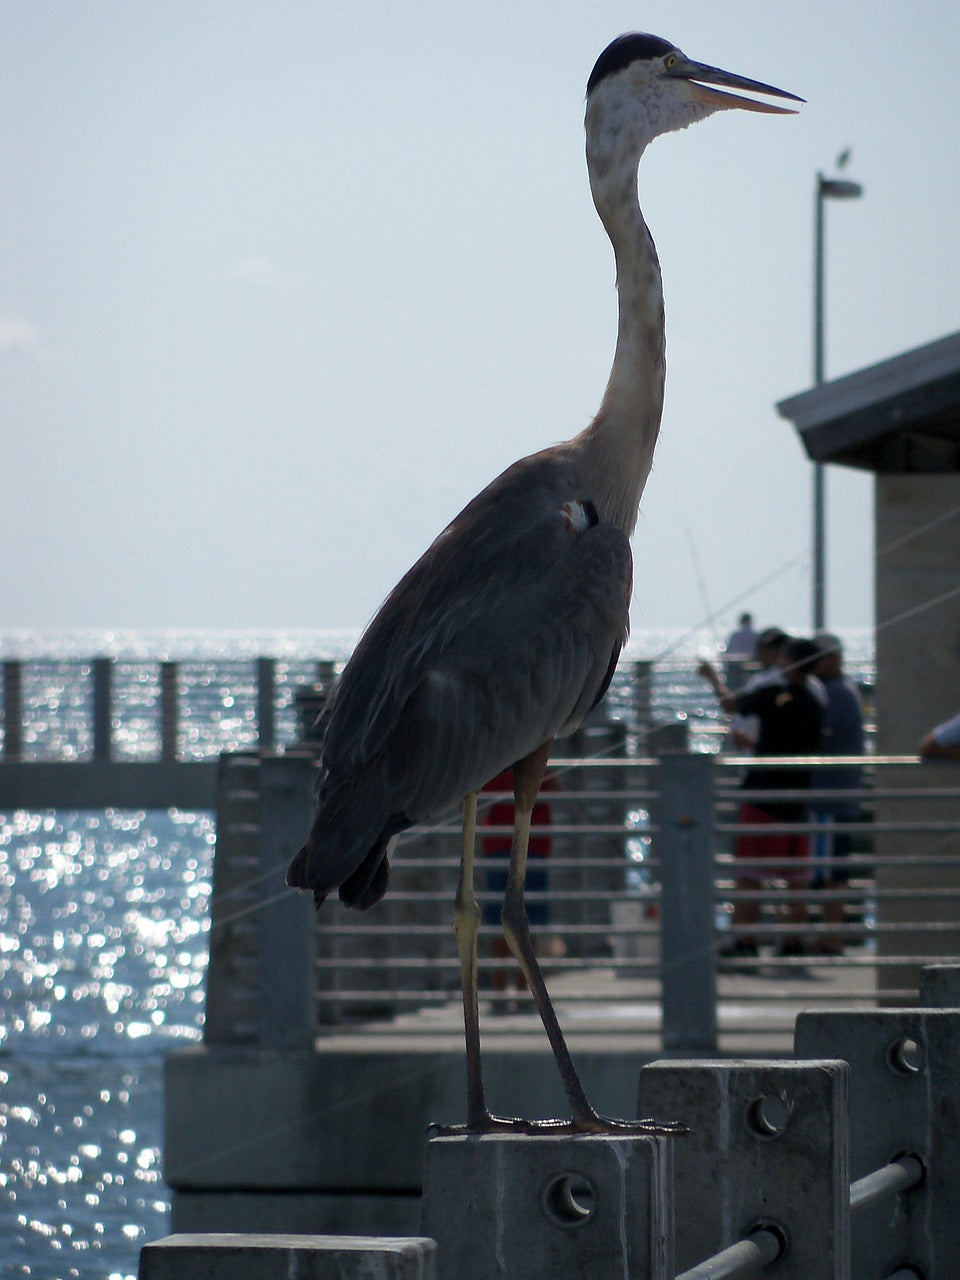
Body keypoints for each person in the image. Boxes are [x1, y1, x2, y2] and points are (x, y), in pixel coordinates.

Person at [700, 637, 824, 960]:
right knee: (797, 879)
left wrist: (713, 678)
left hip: (763, 796)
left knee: (750, 875)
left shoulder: (772, 695)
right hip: (798, 802)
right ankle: (794, 943)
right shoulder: (815, 702)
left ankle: (745, 941)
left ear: (791, 663)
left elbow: (731, 705)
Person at [480, 769, 555, 1009]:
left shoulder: (495, 751)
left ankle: (500, 993)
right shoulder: (536, 747)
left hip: (499, 845)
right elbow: (555, 789)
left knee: (497, 922)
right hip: (532, 845)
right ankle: (523, 993)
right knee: (528, 922)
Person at [809, 633, 865, 955]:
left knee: (831, 872)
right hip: (840, 795)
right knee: (833, 870)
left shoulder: (836, 694)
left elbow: (821, 738)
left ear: (831, 659)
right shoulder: (845, 689)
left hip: (831, 797)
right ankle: (831, 935)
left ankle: (831, 937)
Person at [723, 613, 758, 692]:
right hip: (753, 669)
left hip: (735, 669)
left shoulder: (734, 635)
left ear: (740, 622)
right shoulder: (756, 635)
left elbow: (728, 652)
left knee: (733, 692)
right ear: (750, 621)